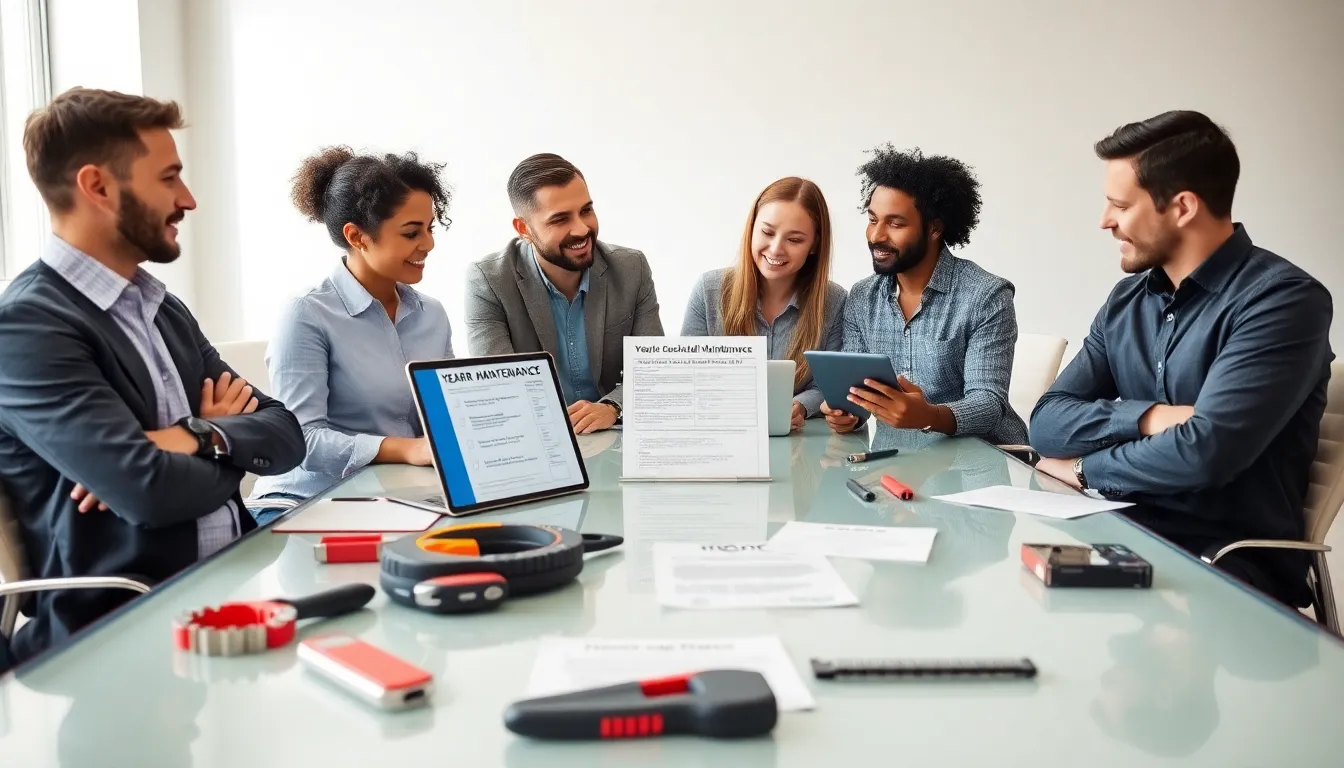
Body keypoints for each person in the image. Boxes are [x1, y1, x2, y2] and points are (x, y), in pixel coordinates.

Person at [0, 87, 304, 664]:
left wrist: (193, 437)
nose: (187, 199)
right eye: (168, 178)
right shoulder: (28, 328)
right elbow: (148, 491)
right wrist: (226, 446)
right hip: (122, 630)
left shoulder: (159, 307)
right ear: (97, 186)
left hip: (235, 587)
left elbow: (288, 433)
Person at [1030, 110, 1334, 609]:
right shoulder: (1126, 301)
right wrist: (1150, 417)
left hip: (1221, 561)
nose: (1105, 221)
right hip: (1120, 529)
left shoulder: (1283, 301)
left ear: (1183, 207)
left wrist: (1085, 468)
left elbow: (1204, 453)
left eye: (1119, 206)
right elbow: (1045, 424)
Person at [248, 147, 455, 523]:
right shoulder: (307, 313)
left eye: (430, 228)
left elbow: (447, 415)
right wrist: (404, 449)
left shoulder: (432, 315)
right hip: (304, 502)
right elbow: (301, 438)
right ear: (357, 237)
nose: (428, 244)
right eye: (411, 232)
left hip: (398, 499)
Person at [821, 145, 1028, 446]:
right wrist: (849, 414)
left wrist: (929, 415)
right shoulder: (862, 297)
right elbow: (858, 393)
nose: (877, 235)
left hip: (982, 462)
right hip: (898, 459)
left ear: (934, 229)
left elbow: (989, 405)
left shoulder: (986, 296)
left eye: (895, 223)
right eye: (873, 219)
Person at [464, 153, 663, 433]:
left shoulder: (632, 268)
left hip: (614, 436)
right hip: (537, 437)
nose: (582, 229)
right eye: (560, 219)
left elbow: (652, 371)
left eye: (586, 211)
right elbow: (501, 388)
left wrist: (612, 408)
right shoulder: (489, 280)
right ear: (524, 229)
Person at [681, 177, 847, 432]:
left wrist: (800, 406)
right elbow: (687, 378)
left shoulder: (834, 302)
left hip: (801, 452)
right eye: (767, 232)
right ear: (752, 229)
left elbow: (829, 385)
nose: (776, 249)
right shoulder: (708, 290)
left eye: (794, 240)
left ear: (814, 244)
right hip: (721, 438)